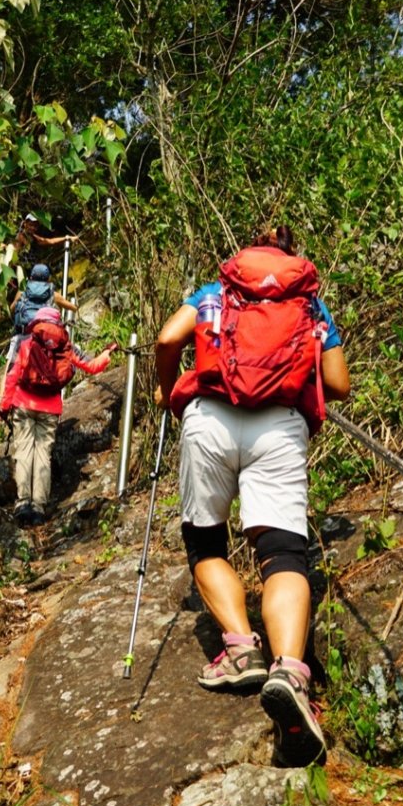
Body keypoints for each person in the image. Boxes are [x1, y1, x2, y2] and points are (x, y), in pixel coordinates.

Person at [154, 225, 350, 767]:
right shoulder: (309, 304)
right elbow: (338, 383)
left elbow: (170, 338)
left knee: (206, 542)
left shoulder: (218, 292)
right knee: (283, 552)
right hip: (280, 425)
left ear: (246, 254)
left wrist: (166, 389)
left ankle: (241, 649)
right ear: (291, 258)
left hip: (210, 417)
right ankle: (289, 669)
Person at [0, 307, 115, 527]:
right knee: (43, 454)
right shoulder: (65, 345)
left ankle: (23, 503)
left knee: (24, 452)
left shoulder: (26, 342)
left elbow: (12, 377)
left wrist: (5, 407)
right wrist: (107, 353)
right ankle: (38, 507)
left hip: (24, 404)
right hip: (50, 408)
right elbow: (92, 366)